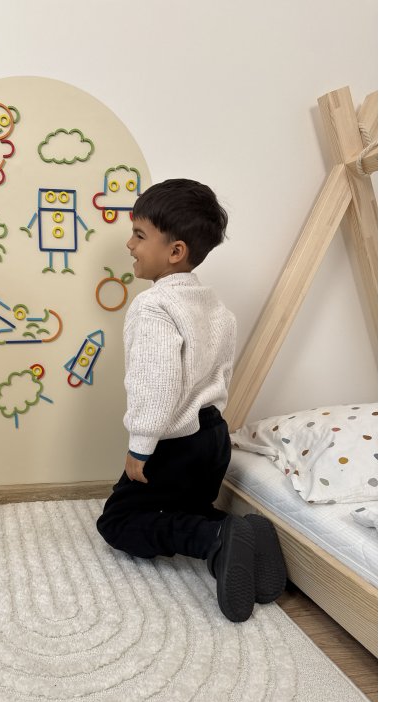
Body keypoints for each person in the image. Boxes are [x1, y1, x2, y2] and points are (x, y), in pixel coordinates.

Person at [96, 178, 286, 622]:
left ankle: (214, 540)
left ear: (175, 251)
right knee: (187, 507)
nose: (129, 244)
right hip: (212, 435)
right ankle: (235, 530)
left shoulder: (154, 306)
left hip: (174, 441)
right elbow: (221, 372)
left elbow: (156, 383)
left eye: (139, 235)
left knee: (118, 522)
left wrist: (141, 445)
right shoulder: (215, 306)